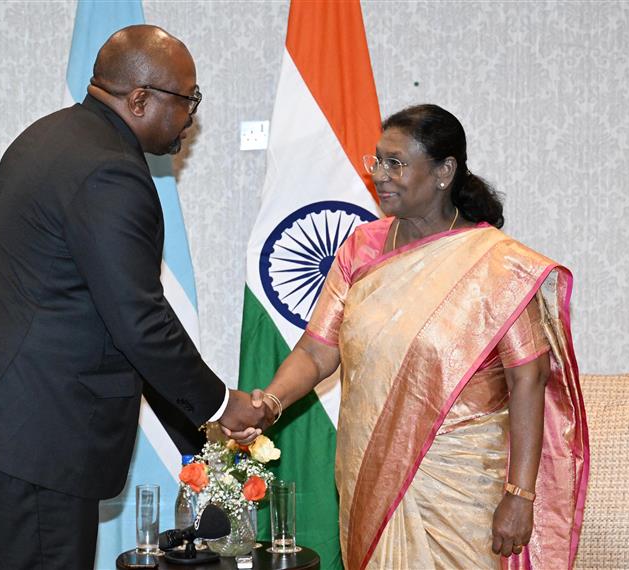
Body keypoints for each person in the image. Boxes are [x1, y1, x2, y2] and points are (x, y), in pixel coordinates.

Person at [0, 25, 272, 569]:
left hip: (6, 419)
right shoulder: (111, 171)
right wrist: (224, 405)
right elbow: (139, 321)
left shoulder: (48, 137)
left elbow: (109, 312)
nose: (191, 116)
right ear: (140, 98)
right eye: (187, 100)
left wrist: (199, 425)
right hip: (32, 435)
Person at [241, 104, 588, 568]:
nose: (380, 175)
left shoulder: (497, 266)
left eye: (396, 163)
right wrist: (271, 404)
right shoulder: (360, 249)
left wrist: (520, 495)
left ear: (444, 171)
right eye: (377, 161)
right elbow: (316, 350)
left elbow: (530, 377)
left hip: (460, 489)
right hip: (371, 475)